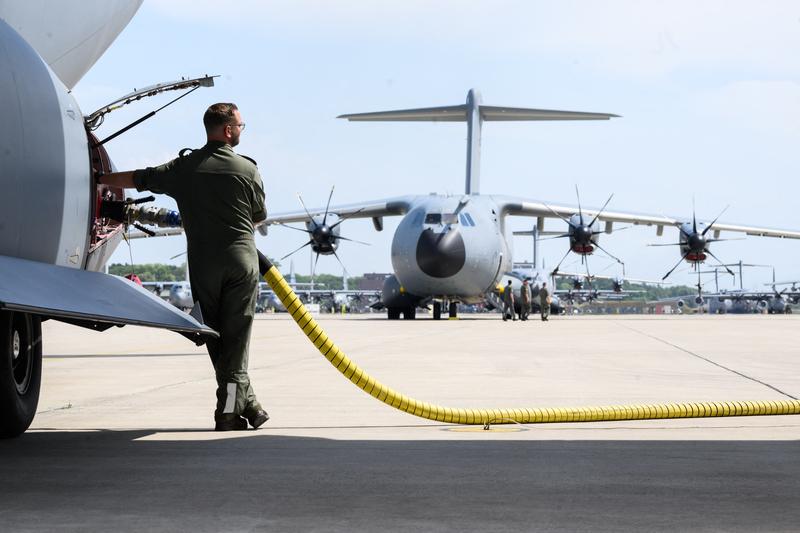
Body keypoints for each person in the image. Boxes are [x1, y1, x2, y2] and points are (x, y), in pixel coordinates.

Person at [98, 103, 269, 432]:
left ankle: (245, 403)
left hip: (204, 265)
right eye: (240, 126)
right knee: (236, 341)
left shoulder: (184, 168)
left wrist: (99, 178)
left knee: (216, 336)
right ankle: (230, 410)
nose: (241, 131)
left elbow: (139, 178)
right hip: (241, 262)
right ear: (228, 130)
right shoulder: (247, 169)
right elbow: (259, 216)